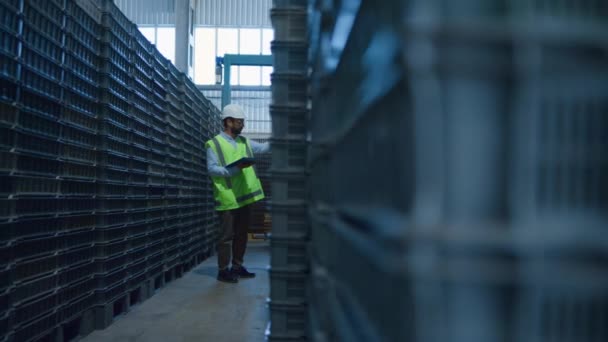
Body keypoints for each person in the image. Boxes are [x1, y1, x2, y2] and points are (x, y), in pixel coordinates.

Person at [205, 104, 270, 283]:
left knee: (242, 233)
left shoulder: (244, 142)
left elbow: (264, 149)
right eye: (239, 122)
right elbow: (211, 169)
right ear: (228, 122)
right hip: (228, 197)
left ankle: (237, 266)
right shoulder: (214, 144)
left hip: (245, 196)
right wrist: (234, 170)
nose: (242, 125)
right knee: (226, 236)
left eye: (242, 122)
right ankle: (223, 270)